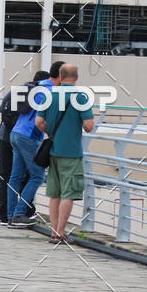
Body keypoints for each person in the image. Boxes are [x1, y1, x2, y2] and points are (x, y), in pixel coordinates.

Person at [35, 63, 94, 244]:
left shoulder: (50, 95)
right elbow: (89, 126)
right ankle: (61, 233)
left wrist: (51, 132)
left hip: (53, 151)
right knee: (68, 194)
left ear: (60, 77)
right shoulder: (81, 97)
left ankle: (53, 232)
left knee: (55, 193)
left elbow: (38, 122)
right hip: (72, 152)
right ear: (76, 77)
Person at [7, 65, 62, 228]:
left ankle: (11, 216)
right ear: (60, 76)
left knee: (15, 177)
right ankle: (18, 215)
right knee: (37, 176)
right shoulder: (50, 92)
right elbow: (45, 119)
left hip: (16, 132)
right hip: (29, 136)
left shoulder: (38, 84)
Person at [0, 70, 49, 224]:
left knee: (8, 176)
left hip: (6, 137)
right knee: (29, 176)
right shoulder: (39, 94)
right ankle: (24, 212)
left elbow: (2, 109)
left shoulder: (18, 91)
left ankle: (6, 214)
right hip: (23, 138)